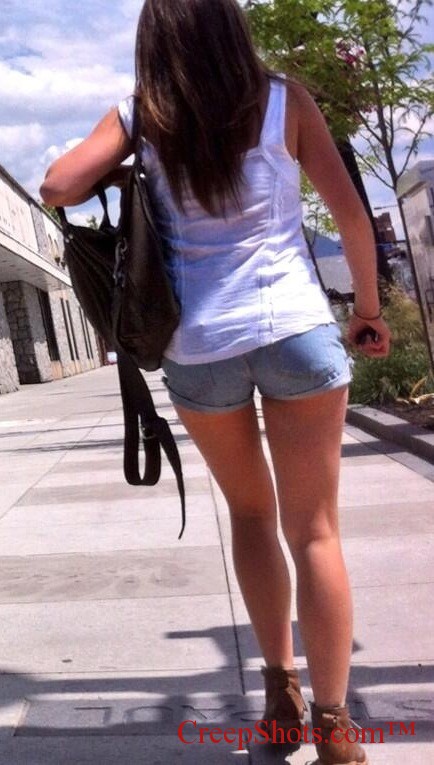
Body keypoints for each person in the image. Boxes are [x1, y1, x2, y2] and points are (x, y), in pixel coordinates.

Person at [40, 1, 391, 762]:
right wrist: (367, 311)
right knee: (316, 530)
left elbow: (57, 185)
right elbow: (351, 217)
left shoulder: (145, 113)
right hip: (295, 331)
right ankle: (335, 727)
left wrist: (129, 160)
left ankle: (281, 694)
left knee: (252, 517)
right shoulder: (284, 100)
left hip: (199, 347)